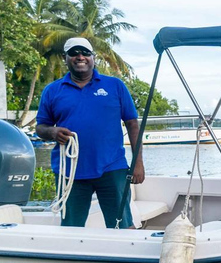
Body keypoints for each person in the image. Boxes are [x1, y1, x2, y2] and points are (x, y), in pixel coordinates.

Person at [36, 38, 144, 228]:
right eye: (74, 53)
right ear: (65, 58)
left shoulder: (115, 86)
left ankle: (127, 255)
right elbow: (41, 127)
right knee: (71, 226)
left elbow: (133, 125)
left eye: (85, 52)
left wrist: (138, 163)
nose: (80, 57)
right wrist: (52, 132)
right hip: (69, 171)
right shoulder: (52, 91)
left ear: (93, 57)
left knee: (122, 224)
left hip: (112, 167)